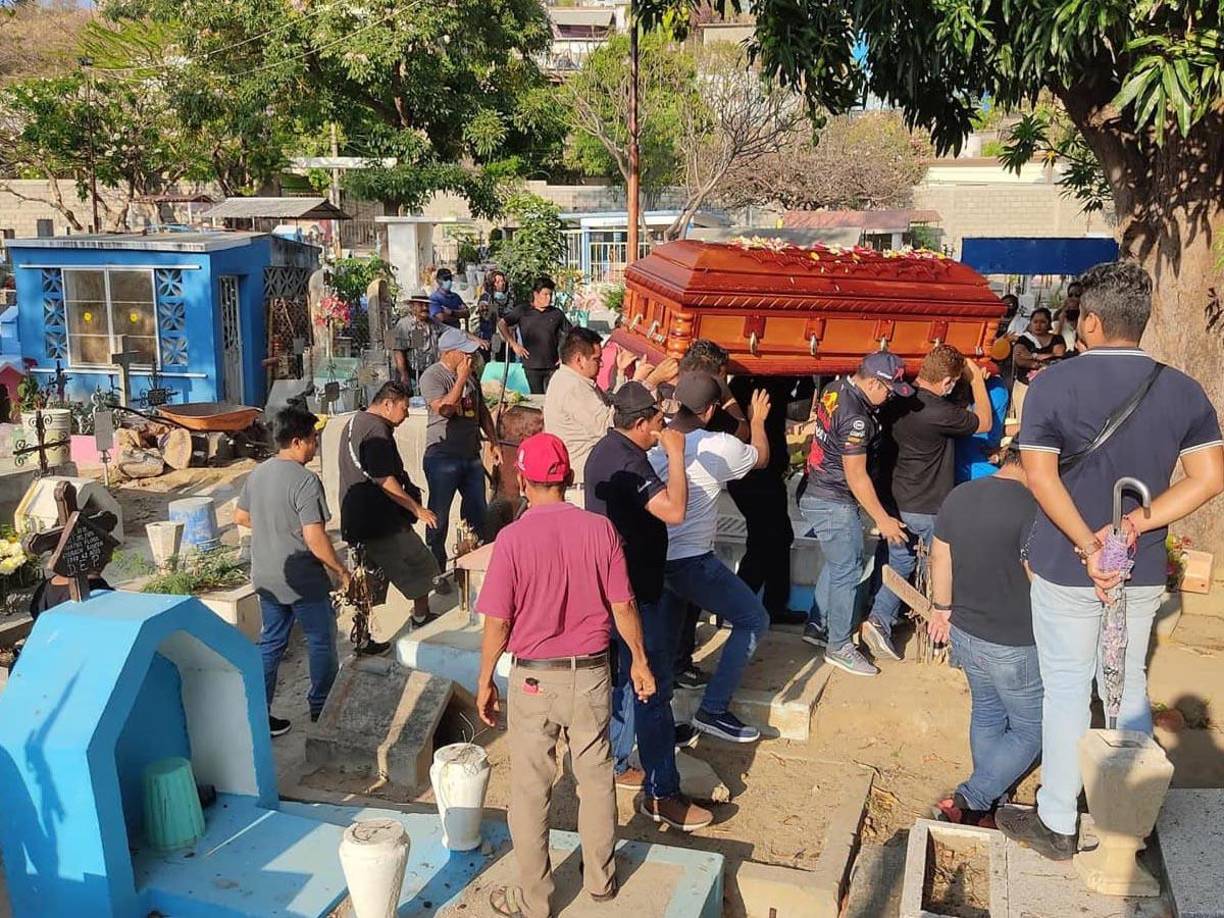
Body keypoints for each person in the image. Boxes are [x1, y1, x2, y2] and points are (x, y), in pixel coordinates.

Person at [998, 261, 1223, 860]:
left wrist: (1087, 543)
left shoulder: (1052, 384)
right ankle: (1133, 819)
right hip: (1143, 566)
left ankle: (1059, 821)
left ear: (1090, 321)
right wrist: (1135, 524)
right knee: (1128, 687)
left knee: (1067, 689)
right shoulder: (1183, 389)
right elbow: (1210, 476)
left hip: (1066, 567)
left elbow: (1041, 476)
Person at [475, 433, 656, 918]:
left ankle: (536, 902)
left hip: (534, 679)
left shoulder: (512, 539)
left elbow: (498, 621)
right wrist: (639, 660)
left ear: (522, 478)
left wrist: (485, 679)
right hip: (592, 673)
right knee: (596, 780)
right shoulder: (600, 530)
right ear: (569, 478)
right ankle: (601, 882)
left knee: (532, 791)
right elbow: (623, 604)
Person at [584, 383, 714, 830]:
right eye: (658, 423)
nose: (663, 429)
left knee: (622, 684)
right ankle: (662, 795)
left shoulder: (605, 448)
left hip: (617, 590)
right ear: (639, 423)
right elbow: (674, 510)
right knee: (650, 689)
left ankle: (619, 762)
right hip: (635, 596)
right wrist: (676, 456)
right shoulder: (628, 461)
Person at [650, 373, 772, 743]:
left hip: (658, 560)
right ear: (711, 410)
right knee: (753, 618)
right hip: (692, 561)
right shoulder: (718, 446)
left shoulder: (657, 441)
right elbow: (761, 459)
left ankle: (660, 722)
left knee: (666, 647)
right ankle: (713, 709)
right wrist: (757, 421)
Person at [928, 445, 1041, 827]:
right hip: (1014, 637)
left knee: (988, 712)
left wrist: (941, 607)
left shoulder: (960, 494)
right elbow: (1034, 573)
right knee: (1031, 727)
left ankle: (987, 800)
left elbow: (939, 556)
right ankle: (973, 797)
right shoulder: (1032, 507)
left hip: (965, 629)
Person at [862, 346, 992, 662]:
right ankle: (939, 637)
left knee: (903, 561)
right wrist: (977, 382)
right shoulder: (939, 413)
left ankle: (880, 618)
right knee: (941, 569)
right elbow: (985, 423)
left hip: (896, 498)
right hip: (929, 504)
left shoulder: (897, 399)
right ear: (947, 381)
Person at [235, 407, 351, 737]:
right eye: (313, 440)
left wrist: (273, 528)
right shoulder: (305, 481)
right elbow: (315, 538)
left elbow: (241, 517)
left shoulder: (258, 474)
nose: (315, 446)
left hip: (267, 577)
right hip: (302, 578)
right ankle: (321, 707)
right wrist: (340, 569)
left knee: (271, 643)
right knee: (321, 641)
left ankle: (259, 714)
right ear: (297, 441)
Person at [799, 352, 911, 677]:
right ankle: (839, 646)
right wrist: (883, 519)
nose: (890, 397)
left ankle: (818, 625)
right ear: (874, 381)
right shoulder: (858, 418)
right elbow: (856, 476)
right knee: (848, 570)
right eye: (889, 390)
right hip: (834, 499)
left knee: (838, 564)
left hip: (816, 487)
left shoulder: (836, 387)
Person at [338, 381, 440, 634]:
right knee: (422, 565)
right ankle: (420, 616)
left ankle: (363, 636)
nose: (406, 415)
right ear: (387, 404)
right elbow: (385, 479)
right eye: (404, 409)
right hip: (382, 521)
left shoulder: (355, 421)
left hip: (358, 519)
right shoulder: (376, 432)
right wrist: (417, 509)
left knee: (367, 580)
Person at [419, 327, 497, 582]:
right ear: (451, 353)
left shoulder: (471, 377)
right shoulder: (433, 377)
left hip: (470, 454)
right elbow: (445, 410)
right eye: (464, 353)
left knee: (477, 510)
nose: (469, 358)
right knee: (439, 515)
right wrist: (461, 378)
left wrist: (493, 441)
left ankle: (472, 561)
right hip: (443, 456)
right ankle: (435, 569)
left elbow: (482, 410)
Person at [499, 275, 571, 394]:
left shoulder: (556, 313)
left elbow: (571, 333)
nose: (549, 298)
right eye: (545, 294)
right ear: (536, 294)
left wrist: (564, 355)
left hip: (552, 365)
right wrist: (514, 344)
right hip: (532, 365)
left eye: (551, 295)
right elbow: (502, 324)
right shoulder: (523, 311)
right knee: (537, 397)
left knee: (553, 396)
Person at [954, 370, 1010, 482]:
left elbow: (984, 424)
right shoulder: (996, 387)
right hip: (969, 470)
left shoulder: (995, 388)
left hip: (980, 469)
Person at [1010, 307, 1065, 422]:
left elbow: (1059, 356)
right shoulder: (1023, 339)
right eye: (1035, 322)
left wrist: (1033, 356)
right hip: (1025, 386)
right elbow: (1020, 359)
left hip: (1050, 387)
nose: (1038, 325)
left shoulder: (1057, 339)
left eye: (1043, 322)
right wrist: (1044, 362)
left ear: (1049, 323)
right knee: (1023, 419)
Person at [392, 299, 439, 391]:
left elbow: (448, 330)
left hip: (430, 371)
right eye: (421, 305)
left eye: (426, 305)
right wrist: (403, 374)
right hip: (412, 373)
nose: (425, 308)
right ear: (412, 307)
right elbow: (398, 351)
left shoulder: (433, 323)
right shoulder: (405, 324)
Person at [478, 269, 513, 359]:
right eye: (498, 281)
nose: (502, 283)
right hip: (489, 337)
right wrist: (487, 308)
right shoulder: (486, 297)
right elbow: (484, 311)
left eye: (502, 280)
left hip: (505, 337)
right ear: (492, 284)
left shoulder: (509, 297)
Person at [1054, 280, 1082, 352]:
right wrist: (1061, 322)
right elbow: (1054, 340)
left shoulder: (1087, 317)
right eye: (1070, 295)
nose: (1073, 298)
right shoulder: (1059, 314)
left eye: (1077, 295)